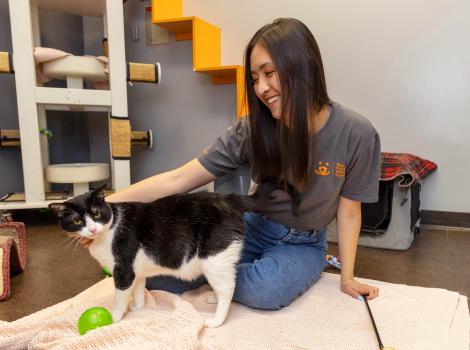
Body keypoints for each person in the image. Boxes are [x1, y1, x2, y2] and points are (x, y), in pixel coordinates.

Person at [105, 18, 381, 309]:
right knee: (158, 277)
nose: (261, 88)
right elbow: (178, 179)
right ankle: (211, 269)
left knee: (265, 291)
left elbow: (349, 212)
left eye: (269, 73)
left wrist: (348, 277)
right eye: (254, 78)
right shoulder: (251, 129)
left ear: (304, 66)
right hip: (250, 226)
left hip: (304, 244)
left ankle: (216, 271)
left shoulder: (358, 133)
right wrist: (104, 207)